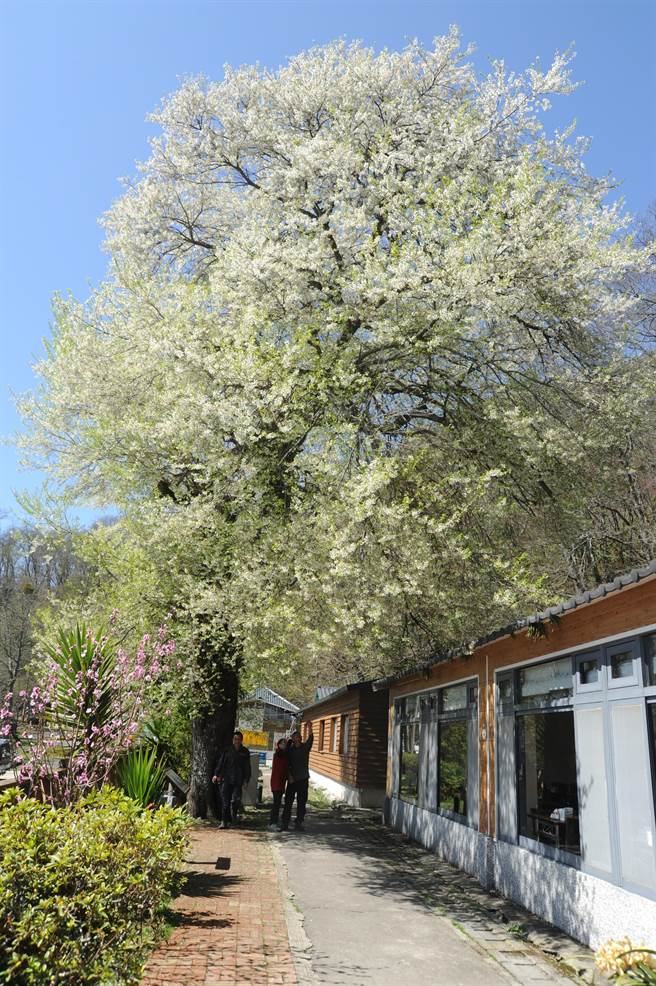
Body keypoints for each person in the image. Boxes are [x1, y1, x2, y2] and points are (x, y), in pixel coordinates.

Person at [212, 730, 251, 828]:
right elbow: (221, 763)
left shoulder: (245, 752)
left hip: (238, 780)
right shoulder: (227, 750)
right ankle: (224, 822)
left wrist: (246, 780)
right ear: (233, 740)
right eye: (235, 739)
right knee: (225, 802)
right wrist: (216, 774)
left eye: (238, 739)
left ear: (241, 740)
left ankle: (234, 819)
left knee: (235, 801)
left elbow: (247, 767)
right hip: (226, 779)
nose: (237, 741)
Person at [280, 721, 313, 831]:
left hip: (303, 779)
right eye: (294, 737)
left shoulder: (305, 748)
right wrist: (289, 776)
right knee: (288, 802)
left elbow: (311, 739)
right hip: (292, 780)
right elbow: (287, 764)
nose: (296, 739)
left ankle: (299, 822)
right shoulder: (290, 750)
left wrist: (310, 727)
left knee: (301, 802)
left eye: (298, 737)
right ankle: (285, 822)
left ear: (301, 738)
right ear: (293, 739)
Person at [268, 737, 288, 831]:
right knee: (276, 804)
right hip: (276, 782)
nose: (284, 745)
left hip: (280, 783)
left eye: (285, 743)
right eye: (282, 743)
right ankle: (272, 823)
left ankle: (274, 822)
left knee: (278, 803)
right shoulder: (278, 754)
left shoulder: (283, 755)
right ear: (278, 745)